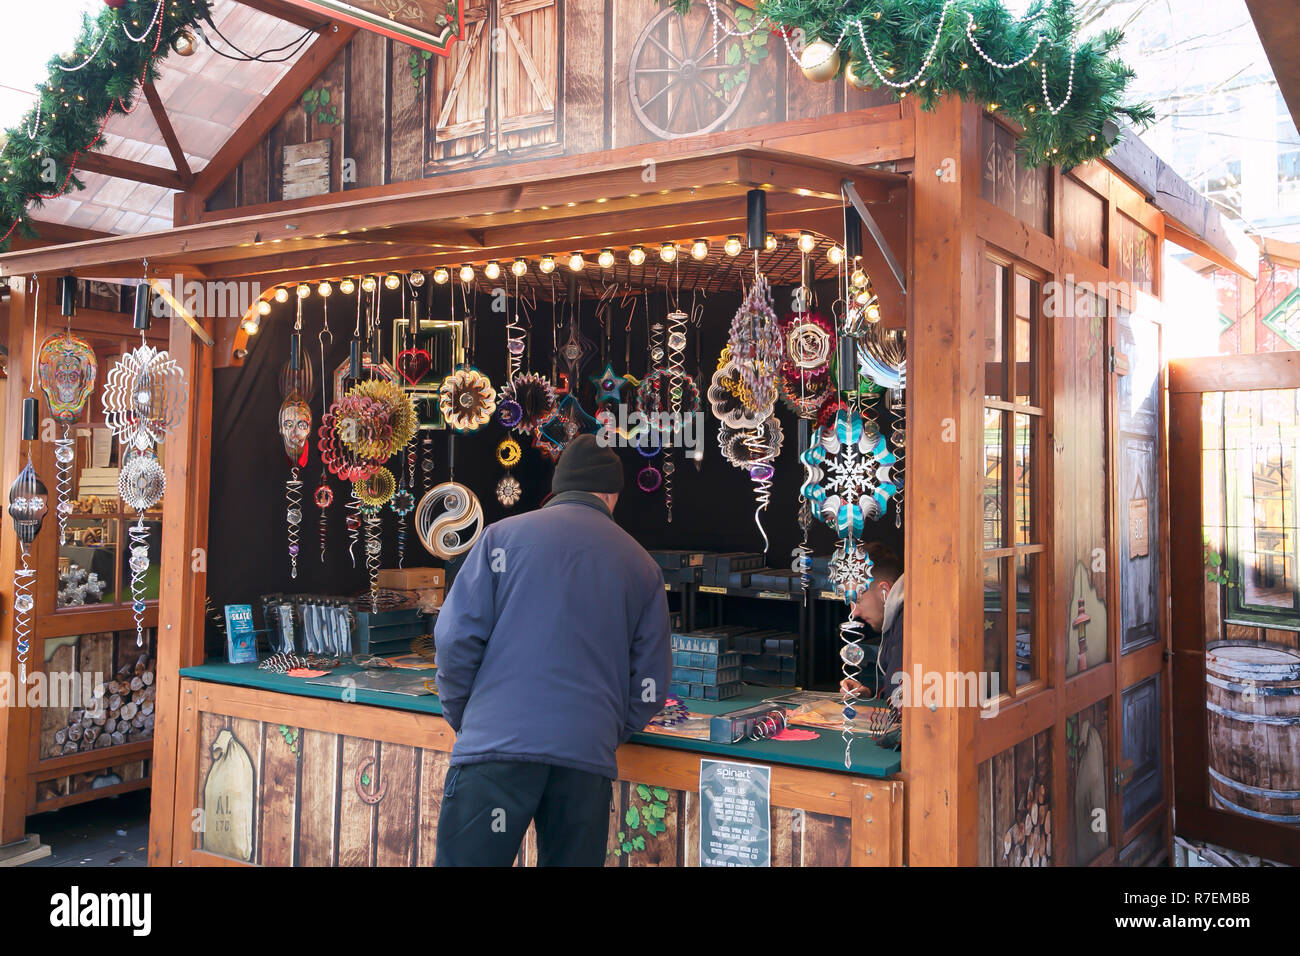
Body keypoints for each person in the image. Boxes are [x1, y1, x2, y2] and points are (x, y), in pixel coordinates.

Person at [433, 434, 671, 867]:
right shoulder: (642, 566)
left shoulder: (499, 540)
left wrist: (464, 714)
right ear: (612, 495)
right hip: (584, 760)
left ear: (558, 490)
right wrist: (607, 728)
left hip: (494, 749)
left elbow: (453, 639)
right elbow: (651, 684)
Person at [840, 543, 904, 701]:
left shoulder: (910, 626)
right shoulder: (897, 620)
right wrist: (871, 694)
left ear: (884, 591)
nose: (854, 613)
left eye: (859, 600)